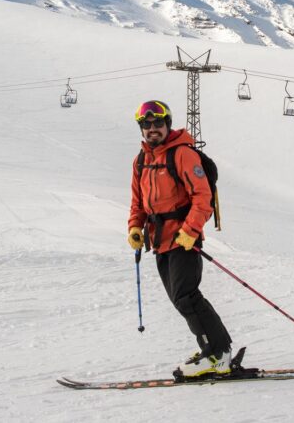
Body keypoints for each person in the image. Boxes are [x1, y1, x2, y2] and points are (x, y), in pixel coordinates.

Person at [126, 100, 233, 378]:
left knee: (186, 296)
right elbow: (137, 204)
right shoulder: (140, 162)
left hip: (184, 239)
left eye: (158, 123)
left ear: (167, 124)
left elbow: (203, 198)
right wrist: (135, 228)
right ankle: (212, 349)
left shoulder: (183, 154)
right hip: (159, 241)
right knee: (180, 299)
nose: (152, 129)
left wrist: (191, 230)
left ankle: (219, 353)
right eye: (146, 124)